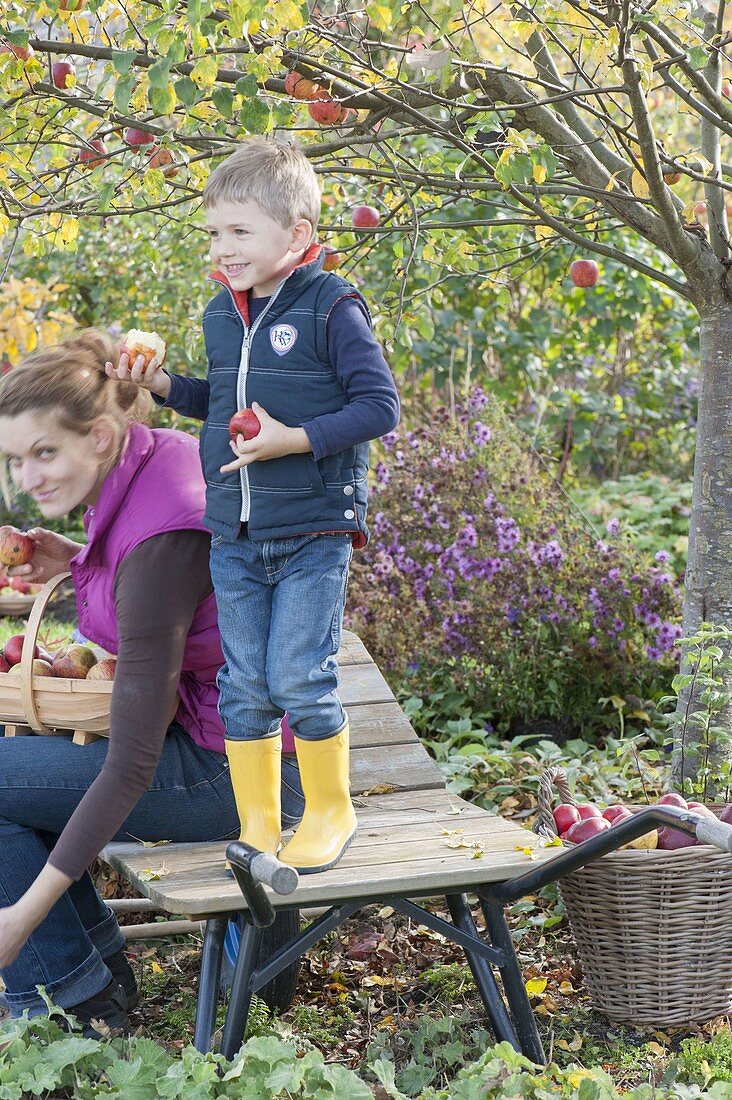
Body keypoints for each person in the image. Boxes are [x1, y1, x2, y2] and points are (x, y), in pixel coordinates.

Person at [108, 137, 400, 874]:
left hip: (311, 528)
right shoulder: (219, 313)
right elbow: (221, 404)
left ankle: (332, 808)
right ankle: (260, 823)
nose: (223, 246)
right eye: (214, 232)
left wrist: (295, 439)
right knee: (244, 686)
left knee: (300, 675)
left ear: (296, 235)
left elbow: (379, 407)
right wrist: (165, 387)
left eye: (239, 230)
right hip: (234, 530)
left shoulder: (331, 306)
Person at [0, 328, 304, 1034]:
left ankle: (73, 1000)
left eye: (46, 453)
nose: (29, 478)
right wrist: (77, 558)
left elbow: (132, 764)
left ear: (102, 437)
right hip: (246, 749)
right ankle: (85, 973)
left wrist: (21, 916)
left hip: (237, 774)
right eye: (16, 460)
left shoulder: (162, 535)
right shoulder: (156, 460)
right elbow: (175, 597)